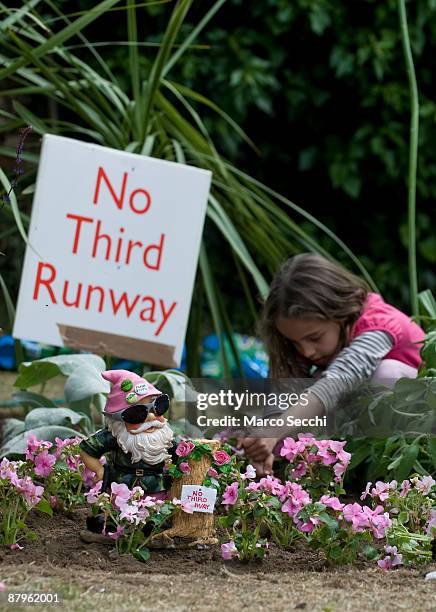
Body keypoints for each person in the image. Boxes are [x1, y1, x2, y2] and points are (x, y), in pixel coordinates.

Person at [239, 253, 425, 476]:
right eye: (294, 342)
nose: (306, 351)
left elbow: (337, 381)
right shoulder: (307, 340)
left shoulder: (379, 324)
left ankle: (384, 475)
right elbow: (283, 392)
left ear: (340, 313)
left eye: (315, 338)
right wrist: (265, 442)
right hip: (360, 423)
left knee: (387, 375)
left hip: (414, 431)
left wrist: (275, 430)